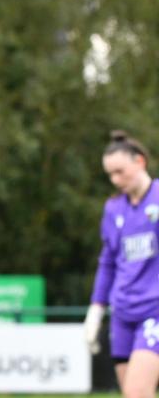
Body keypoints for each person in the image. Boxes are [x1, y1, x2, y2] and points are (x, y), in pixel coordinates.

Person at [85, 130, 159, 398]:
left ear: (140, 162)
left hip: (155, 311)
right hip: (123, 314)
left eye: (120, 171)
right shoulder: (114, 209)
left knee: (138, 392)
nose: (116, 180)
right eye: (110, 175)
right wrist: (96, 309)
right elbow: (108, 262)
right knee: (131, 394)